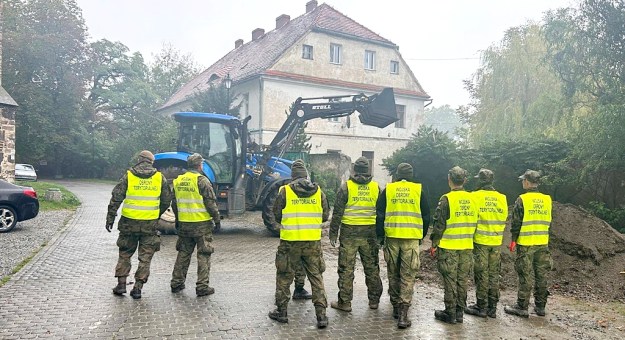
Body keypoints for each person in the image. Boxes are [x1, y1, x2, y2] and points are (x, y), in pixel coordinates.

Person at [268, 159, 331, 328]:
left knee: (284, 277)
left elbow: (277, 215)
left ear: (292, 176)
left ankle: (281, 312)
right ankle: (321, 316)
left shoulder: (285, 191)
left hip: (290, 242)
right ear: (305, 176)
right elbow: (325, 216)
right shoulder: (319, 192)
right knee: (316, 277)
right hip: (312, 242)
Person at [106, 150, 172, 299]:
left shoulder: (128, 176)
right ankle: (137, 288)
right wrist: (156, 214)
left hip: (129, 224)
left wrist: (110, 218)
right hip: (150, 225)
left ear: (139, 160)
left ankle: (121, 284)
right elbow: (167, 200)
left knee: (125, 253)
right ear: (151, 162)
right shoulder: (159, 178)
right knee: (145, 257)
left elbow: (116, 198)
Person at [376, 163, 430, 329]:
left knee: (393, 272)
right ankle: (403, 314)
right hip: (411, 238)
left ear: (397, 174)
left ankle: (395, 308)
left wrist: (380, 235)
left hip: (392, 237)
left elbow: (379, 214)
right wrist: (421, 235)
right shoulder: (418, 190)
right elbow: (426, 215)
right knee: (408, 275)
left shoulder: (389, 189)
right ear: (411, 175)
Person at [329, 157, 383, 313]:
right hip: (370, 234)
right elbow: (380, 214)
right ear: (368, 171)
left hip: (349, 234)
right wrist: (380, 235)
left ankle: (344, 302)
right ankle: (374, 301)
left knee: (346, 269)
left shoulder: (346, 187)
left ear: (354, 170)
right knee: (372, 268)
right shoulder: (376, 188)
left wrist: (333, 233)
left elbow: (337, 213)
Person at [430, 166, 478, 324]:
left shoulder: (446, 199)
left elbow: (439, 225)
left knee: (450, 280)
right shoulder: (473, 199)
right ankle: (459, 312)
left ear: (449, 179)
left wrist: (434, 244)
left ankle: (449, 313)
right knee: (462, 279)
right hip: (467, 246)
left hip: (449, 246)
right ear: (464, 180)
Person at [170, 153, 221, 296]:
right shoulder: (202, 181)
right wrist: (216, 219)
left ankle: (176, 283)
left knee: (183, 254)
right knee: (204, 255)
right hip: (202, 225)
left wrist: (178, 220)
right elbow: (210, 203)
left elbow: (174, 204)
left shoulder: (178, 180)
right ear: (200, 165)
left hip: (185, 225)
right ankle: (202, 287)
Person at [505, 170, 553, 318]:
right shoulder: (547, 199)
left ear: (526, 181)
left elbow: (516, 222)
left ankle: (522, 306)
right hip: (542, 243)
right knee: (541, 275)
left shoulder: (522, 199)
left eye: (522, 181)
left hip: (526, 243)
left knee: (525, 274)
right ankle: (540, 307)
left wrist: (513, 240)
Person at [465, 169, 508, 318]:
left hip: (480, 241)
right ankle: (492, 308)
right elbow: (504, 217)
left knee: (481, 274)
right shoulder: (502, 197)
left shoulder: (474, 196)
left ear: (480, 181)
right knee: (494, 274)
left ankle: (481, 306)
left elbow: (470, 218)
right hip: (496, 241)